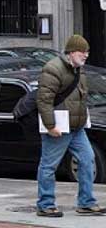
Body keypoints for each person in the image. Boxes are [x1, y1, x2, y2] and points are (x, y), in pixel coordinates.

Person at [35, 35, 105, 217]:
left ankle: (86, 202)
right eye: (83, 52)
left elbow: (82, 98)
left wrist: (84, 120)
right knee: (49, 166)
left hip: (76, 127)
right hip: (59, 127)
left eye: (87, 52)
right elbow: (44, 100)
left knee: (88, 160)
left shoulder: (79, 70)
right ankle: (45, 204)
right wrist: (50, 126)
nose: (86, 55)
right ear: (72, 52)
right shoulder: (53, 69)